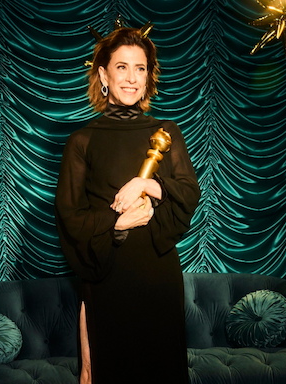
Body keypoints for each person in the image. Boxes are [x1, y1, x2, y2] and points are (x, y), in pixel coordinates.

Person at [55, 26, 200, 384]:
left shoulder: (168, 130)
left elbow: (187, 193)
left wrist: (147, 183)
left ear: (149, 76)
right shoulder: (82, 141)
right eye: (122, 67)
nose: (132, 78)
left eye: (140, 68)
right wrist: (116, 225)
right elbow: (70, 218)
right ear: (103, 74)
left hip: (160, 278)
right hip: (109, 281)